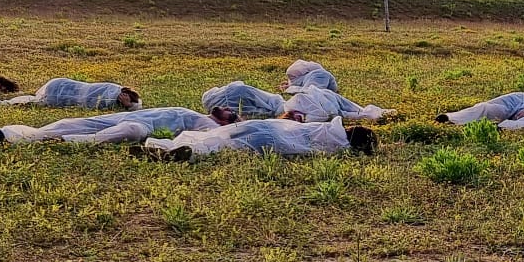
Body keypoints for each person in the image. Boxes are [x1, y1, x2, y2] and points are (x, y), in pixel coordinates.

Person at [139, 116, 376, 160]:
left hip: (262, 125)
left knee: (215, 136)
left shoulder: (326, 126)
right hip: (273, 141)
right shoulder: (337, 146)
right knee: (222, 148)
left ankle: (164, 145)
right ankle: (182, 156)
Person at [0, 107, 217, 149]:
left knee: (128, 132)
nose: (224, 110)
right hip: (124, 116)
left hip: (141, 126)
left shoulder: (211, 124)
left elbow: (209, 136)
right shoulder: (189, 110)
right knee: (67, 123)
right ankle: (3, 134)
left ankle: (63, 142)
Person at [0, 78, 140, 110]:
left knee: (34, 100)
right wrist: (128, 105)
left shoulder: (111, 91)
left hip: (60, 86)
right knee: (35, 102)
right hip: (60, 90)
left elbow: (138, 107)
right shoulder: (110, 94)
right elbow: (137, 109)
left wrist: (128, 104)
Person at [282, 85, 389, 123]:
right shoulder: (301, 116)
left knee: (356, 109)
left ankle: (381, 114)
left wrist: (308, 120)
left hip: (327, 98)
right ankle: (382, 114)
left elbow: (321, 115)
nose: (300, 119)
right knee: (360, 114)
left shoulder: (294, 102)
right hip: (332, 109)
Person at [202, 80, 290, 119]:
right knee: (263, 102)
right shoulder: (239, 91)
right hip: (238, 92)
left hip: (235, 94)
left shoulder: (214, 105)